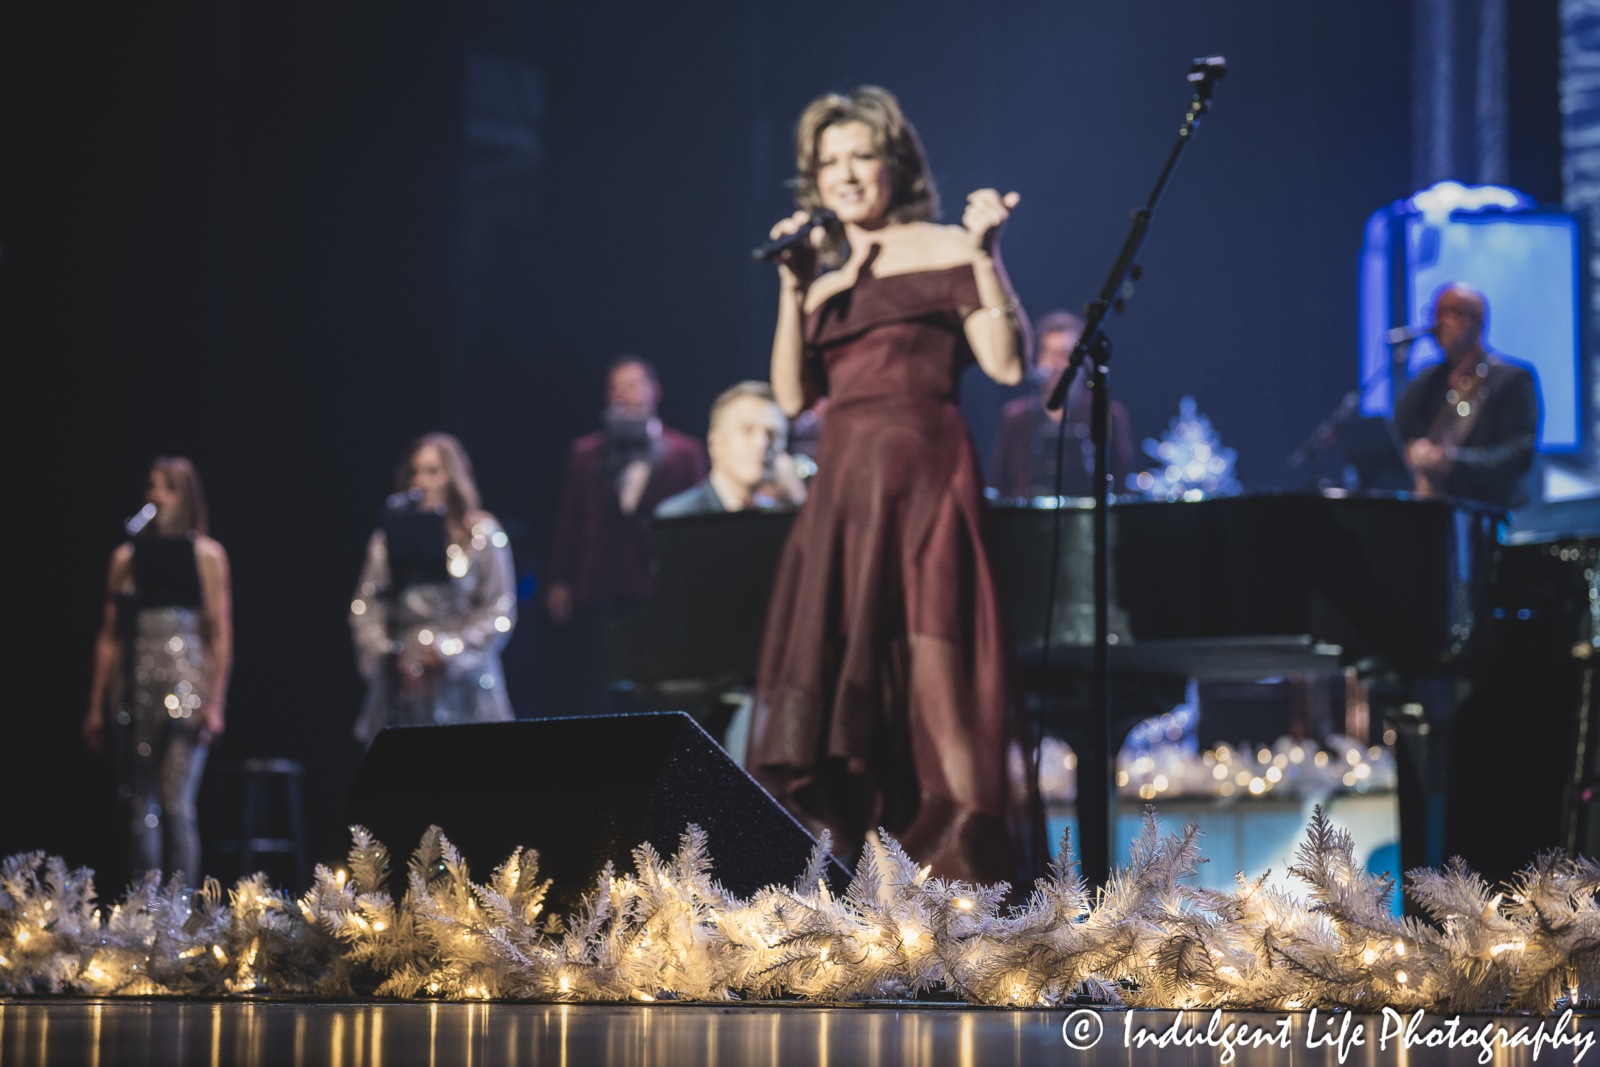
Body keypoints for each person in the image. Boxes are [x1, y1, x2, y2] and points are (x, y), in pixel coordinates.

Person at [750, 86, 1043, 888]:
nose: (845, 175)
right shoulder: (822, 277)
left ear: (895, 164)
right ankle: (846, 879)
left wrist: (985, 254)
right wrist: (791, 285)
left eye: (860, 157)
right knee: (844, 669)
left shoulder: (948, 246)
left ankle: (960, 880)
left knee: (937, 666)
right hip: (845, 496)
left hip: (926, 485)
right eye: (828, 162)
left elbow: (1009, 365)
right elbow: (788, 397)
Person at [84, 457, 232, 885]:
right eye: (151, 486)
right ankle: (143, 911)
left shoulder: (208, 556)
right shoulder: (125, 558)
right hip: (134, 685)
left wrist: (216, 702)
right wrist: (96, 703)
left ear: (185, 497)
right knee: (137, 804)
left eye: (167, 488)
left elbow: (219, 633)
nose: (156, 496)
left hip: (187, 682)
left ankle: (180, 909)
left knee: (176, 802)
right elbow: (109, 635)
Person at [546, 356, 706, 712]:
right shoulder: (587, 453)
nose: (626, 395)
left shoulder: (684, 453)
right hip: (598, 584)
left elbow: (697, 525)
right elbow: (569, 519)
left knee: (650, 684)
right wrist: (559, 578)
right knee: (595, 683)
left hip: (656, 587)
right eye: (617, 387)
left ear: (655, 391)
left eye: (634, 385)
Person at [350, 433, 516, 746]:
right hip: (405, 688)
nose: (420, 482)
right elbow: (366, 606)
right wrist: (388, 655)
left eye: (431, 471)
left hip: (467, 687)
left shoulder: (482, 535)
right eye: (414, 472)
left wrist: (448, 652)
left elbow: (499, 611)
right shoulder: (387, 540)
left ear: (451, 476)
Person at [1396, 284, 1538, 508]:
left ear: (1477, 322)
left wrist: (1453, 462)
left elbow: (1519, 454)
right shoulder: (1428, 378)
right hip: (1431, 511)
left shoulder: (1512, 378)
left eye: (1450, 312)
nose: (1438, 322)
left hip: (1488, 513)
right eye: (1435, 313)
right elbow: (1400, 432)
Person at [988, 310, 1134, 499]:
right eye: (1050, 353)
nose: (1057, 364)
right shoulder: (1015, 417)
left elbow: (1122, 487)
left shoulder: (1108, 414)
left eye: (1065, 354)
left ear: (1084, 361)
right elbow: (999, 485)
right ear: (1038, 358)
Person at [656, 381, 806, 518]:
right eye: (747, 430)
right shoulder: (679, 517)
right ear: (716, 443)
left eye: (773, 434)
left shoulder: (782, 515)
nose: (762, 443)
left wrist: (797, 499)